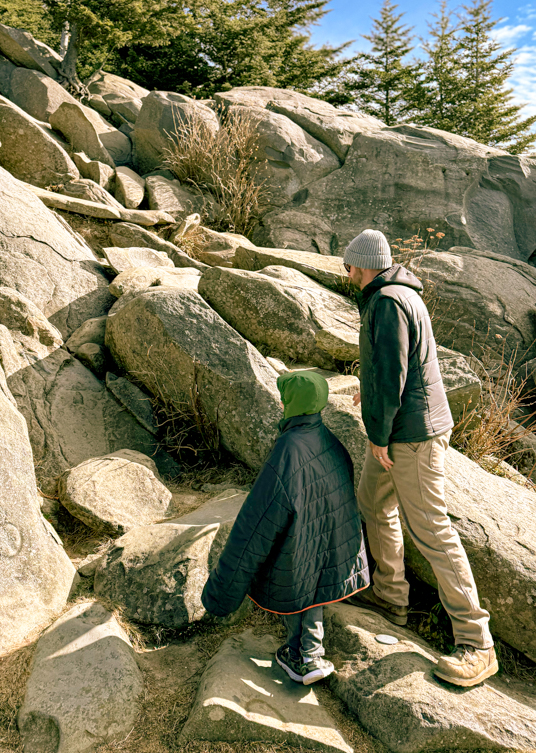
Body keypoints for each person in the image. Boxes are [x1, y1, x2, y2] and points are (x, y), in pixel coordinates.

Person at [344, 228, 498, 688]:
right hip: (405, 426)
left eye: (348, 265)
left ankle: (477, 642)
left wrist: (379, 434)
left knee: (432, 531)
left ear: (361, 264)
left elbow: (394, 371)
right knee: (373, 502)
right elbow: (394, 366)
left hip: (411, 436)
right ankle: (390, 597)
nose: (346, 273)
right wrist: (369, 391)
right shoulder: (398, 293)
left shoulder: (388, 301)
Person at [202, 370, 370, 685]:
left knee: (291, 562)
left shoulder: (287, 452)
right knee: (308, 572)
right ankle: (311, 653)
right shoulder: (332, 442)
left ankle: (301, 656)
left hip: (301, 560)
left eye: (284, 397)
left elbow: (252, 529)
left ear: (290, 404)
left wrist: (218, 595)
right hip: (336, 553)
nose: (280, 402)